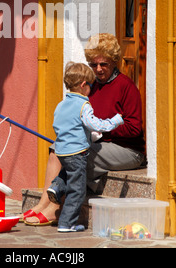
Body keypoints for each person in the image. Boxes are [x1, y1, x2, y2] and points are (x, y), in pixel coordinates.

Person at [24, 33, 145, 226]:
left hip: (127, 150)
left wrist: (103, 132)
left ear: (114, 61)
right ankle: (43, 203)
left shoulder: (126, 87)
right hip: (97, 144)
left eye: (103, 64)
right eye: (93, 64)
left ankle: (56, 209)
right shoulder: (90, 86)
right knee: (58, 147)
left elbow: (133, 128)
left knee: (79, 153)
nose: (98, 69)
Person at [47, 61, 123, 232]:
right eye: (91, 85)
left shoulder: (61, 104)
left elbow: (58, 125)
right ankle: (67, 223)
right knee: (77, 190)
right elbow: (96, 124)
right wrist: (115, 121)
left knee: (68, 172)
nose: (92, 89)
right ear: (83, 85)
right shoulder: (84, 105)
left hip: (62, 151)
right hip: (77, 153)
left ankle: (57, 186)